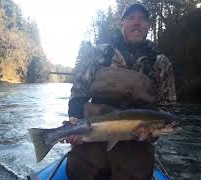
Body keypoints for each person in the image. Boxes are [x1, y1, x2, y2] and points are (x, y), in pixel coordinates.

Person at [65, 3, 176, 180]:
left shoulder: (160, 62)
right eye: (131, 18)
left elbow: (167, 105)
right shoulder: (100, 53)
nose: (136, 23)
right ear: (122, 24)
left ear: (148, 25)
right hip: (91, 134)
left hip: (135, 146)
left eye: (142, 19)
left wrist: (151, 135)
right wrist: (74, 120)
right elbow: (79, 90)